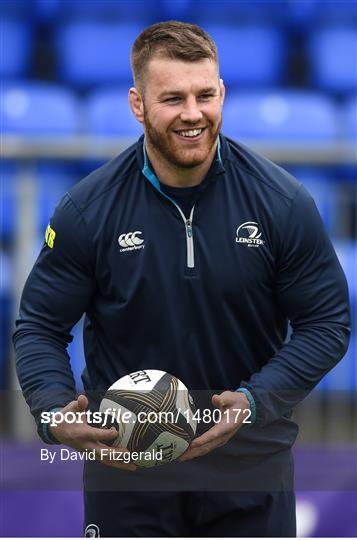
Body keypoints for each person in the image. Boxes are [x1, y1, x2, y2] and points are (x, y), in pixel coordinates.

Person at [14, 21, 350, 537]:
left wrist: (256, 401)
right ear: (137, 104)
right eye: (172, 98)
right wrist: (53, 409)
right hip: (126, 474)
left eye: (205, 95)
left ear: (223, 94)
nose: (193, 114)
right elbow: (38, 326)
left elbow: (326, 322)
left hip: (251, 467)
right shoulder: (87, 211)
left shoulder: (283, 204)